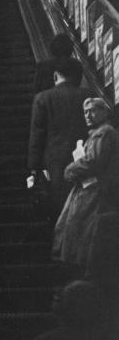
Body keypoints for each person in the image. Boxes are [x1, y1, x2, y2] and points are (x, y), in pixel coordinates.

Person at [53, 98, 119, 271]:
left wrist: (70, 170)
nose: (88, 115)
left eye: (93, 110)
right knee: (79, 232)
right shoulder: (99, 132)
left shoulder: (103, 132)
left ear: (105, 112)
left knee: (82, 232)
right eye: (85, 112)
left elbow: (93, 162)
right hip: (91, 191)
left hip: (95, 193)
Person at [27, 58, 89, 216]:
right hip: (85, 160)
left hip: (54, 163)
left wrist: (34, 169)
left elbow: (37, 136)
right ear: (79, 77)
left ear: (55, 76)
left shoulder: (42, 98)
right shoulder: (89, 96)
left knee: (59, 210)